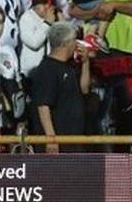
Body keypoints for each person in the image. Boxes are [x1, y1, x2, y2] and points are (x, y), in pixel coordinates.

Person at [29, 22, 92, 152]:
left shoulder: (70, 67)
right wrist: (51, 138)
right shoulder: (46, 70)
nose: (77, 44)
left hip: (74, 138)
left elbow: (84, 90)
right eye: (74, 40)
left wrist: (86, 63)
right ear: (65, 43)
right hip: (58, 141)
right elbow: (43, 105)